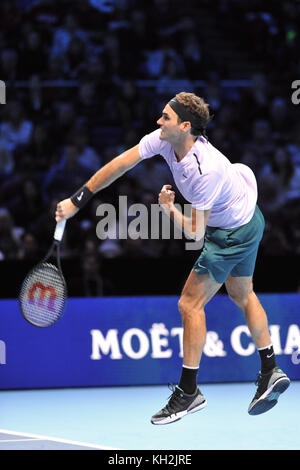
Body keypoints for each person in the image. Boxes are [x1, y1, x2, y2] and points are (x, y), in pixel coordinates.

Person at [55, 91, 290, 424]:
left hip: (231, 232)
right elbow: (120, 164)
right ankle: (270, 369)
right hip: (250, 218)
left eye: (165, 117)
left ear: (185, 125)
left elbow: (196, 233)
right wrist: (78, 200)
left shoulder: (203, 171)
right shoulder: (166, 140)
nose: (158, 121)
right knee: (242, 293)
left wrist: (168, 209)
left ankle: (188, 392)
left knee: (189, 304)